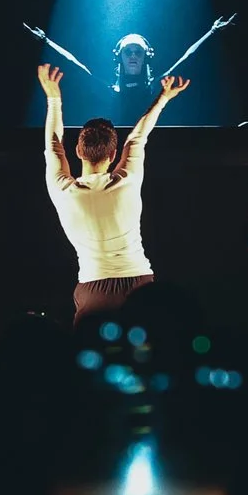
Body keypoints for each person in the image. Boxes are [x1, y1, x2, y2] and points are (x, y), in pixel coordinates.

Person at [38, 61, 187, 326]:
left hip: (94, 291)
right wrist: (163, 97)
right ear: (113, 155)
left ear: (78, 152)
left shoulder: (64, 190)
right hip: (139, 287)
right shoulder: (126, 180)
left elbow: (53, 146)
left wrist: (53, 98)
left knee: (87, 361)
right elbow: (137, 138)